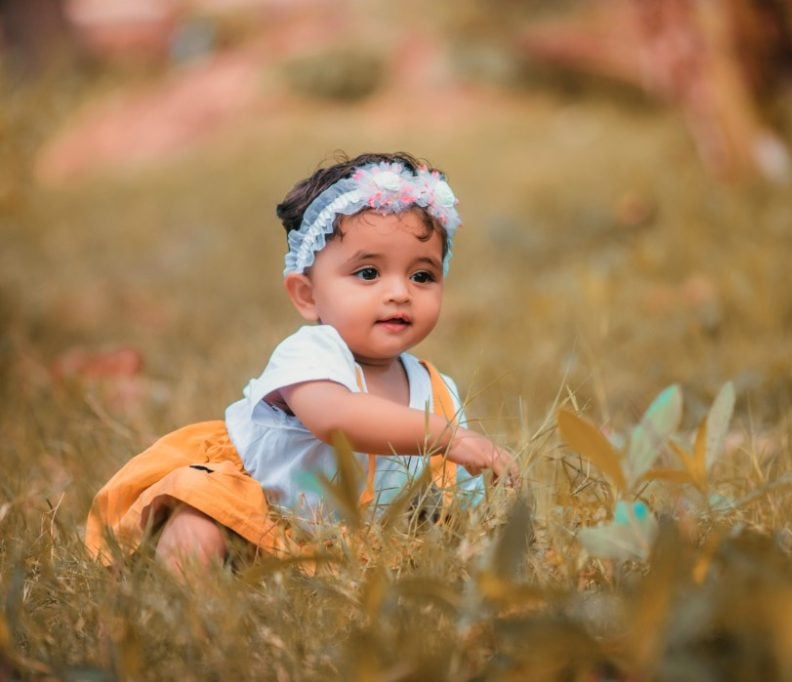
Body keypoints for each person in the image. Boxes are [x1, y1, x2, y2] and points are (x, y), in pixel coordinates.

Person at [85, 152, 519, 575]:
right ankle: (191, 608)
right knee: (203, 517)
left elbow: (448, 488)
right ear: (307, 295)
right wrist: (444, 436)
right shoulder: (312, 353)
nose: (399, 293)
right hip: (256, 508)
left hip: (330, 542)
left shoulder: (437, 390)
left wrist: (478, 517)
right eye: (368, 273)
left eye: (422, 276)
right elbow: (334, 418)